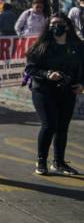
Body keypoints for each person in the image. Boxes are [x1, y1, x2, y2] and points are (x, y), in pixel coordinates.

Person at [24, 13, 83, 176]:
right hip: (44, 91)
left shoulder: (77, 46)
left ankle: (59, 162)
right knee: (49, 125)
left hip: (67, 91)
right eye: (54, 23)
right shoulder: (41, 46)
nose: (57, 26)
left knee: (62, 128)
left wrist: (81, 84)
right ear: (48, 26)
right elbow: (30, 69)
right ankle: (41, 160)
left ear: (67, 25)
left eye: (61, 23)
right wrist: (47, 74)